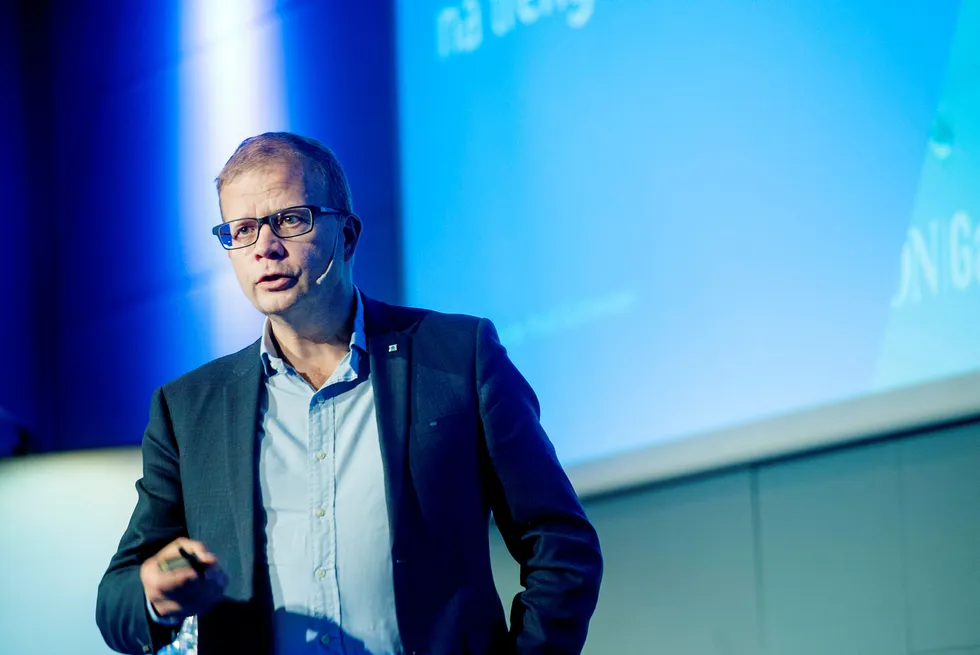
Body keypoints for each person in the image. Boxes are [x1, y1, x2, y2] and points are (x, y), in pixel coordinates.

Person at [96, 132, 602, 655]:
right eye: (241, 230)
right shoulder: (188, 409)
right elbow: (115, 604)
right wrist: (153, 594)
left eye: (291, 219)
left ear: (349, 235)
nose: (264, 247)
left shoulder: (457, 356)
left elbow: (560, 545)